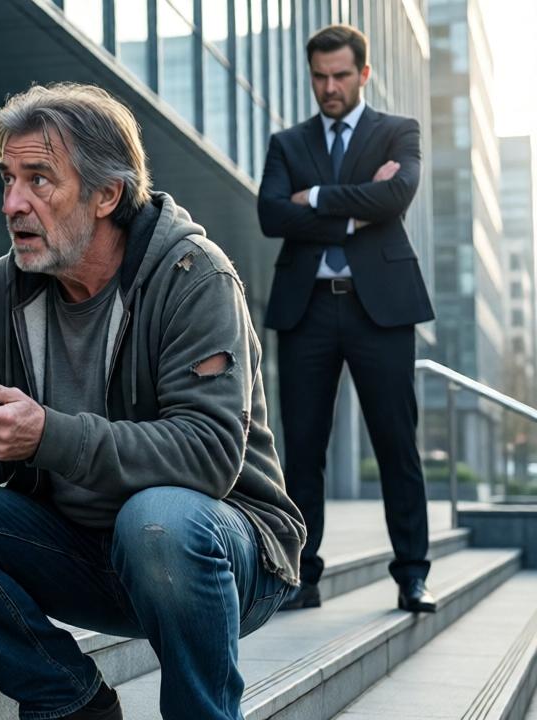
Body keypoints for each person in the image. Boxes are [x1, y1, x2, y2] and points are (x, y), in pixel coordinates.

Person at [0, 82, 306, 720]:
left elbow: (209, 455)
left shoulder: (194, 276)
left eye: (40, 180)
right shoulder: (3, 288)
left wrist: (45, 433)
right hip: (83, 551)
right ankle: (68, 700)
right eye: (9, 178)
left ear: (107, 194)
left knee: (157, 519)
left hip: (218, 554)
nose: (14, 203)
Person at [257, 24, 436, 613]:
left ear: (363, 73)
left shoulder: (398, 132)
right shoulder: (288, 142)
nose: (328, 87)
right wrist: (359, 206)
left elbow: (398, 196)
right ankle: (300, 577)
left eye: (339, 75)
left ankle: (412, 575)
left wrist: (319, 199)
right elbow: (272, 215)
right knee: (303, 451)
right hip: (307, 310)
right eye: (319, 77)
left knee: (396, 445)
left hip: (379, 309)